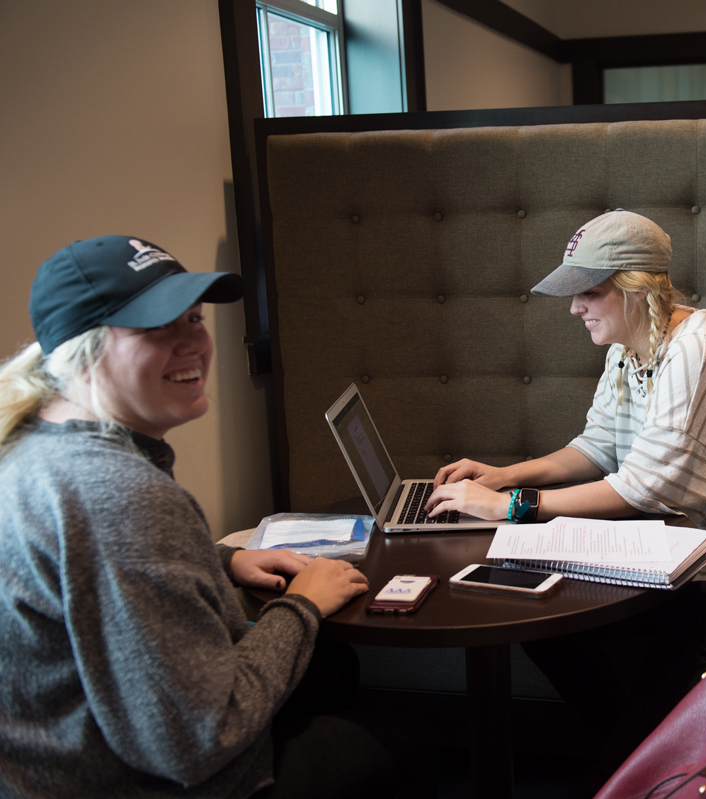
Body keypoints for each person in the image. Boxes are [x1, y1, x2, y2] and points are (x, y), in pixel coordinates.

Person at [0, 236, 425, 799]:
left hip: (46, 756)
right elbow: (198, 738)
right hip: (128, 779)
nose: (192, 344)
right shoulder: (119, 494)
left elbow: (91, 565)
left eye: (194, 319)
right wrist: (304, 605)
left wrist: (224, 559)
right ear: (83, 352)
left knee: (333, 670)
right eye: (155, 328)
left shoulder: (33, 442)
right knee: (405, 739)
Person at [425, 209, 706, 579]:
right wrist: (503, 476)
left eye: (590, 293)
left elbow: (647, 487)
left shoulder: (695, 351)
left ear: (639, 291)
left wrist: (512, 504)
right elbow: (599, 446)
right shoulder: (628, 344)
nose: (574, 307)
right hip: (672, 552)